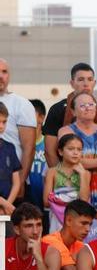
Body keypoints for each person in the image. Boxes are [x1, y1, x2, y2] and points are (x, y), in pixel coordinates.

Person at [57, 91, 97, 240]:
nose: (88, 108)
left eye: (91, 104)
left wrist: (85, 162)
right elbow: (72, 162)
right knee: (77, 235)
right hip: (76, 188)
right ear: (73, 111)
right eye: (82, 105)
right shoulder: (65, 131)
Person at [43, 63, 97, 168]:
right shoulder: (57, 110)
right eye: (80, 79)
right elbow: (50, 152)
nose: (86, 84)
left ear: (94, 83)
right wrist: (62, 177)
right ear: (72, 83)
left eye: (90, 79)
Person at [0, 59, 37, 201]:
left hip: (12, 184)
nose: (1, 76)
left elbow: (29, 147)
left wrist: (20, 181)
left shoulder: (22, 104)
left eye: (4, 72)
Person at [42, 134, 91, 232]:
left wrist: (82, 174)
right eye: (71, 149)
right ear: (60, 151)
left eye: (79, 149)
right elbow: (46, 202)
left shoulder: (86, 173)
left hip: (78, 219)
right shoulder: (52, 172)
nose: (75, 153)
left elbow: (84, 201)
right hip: (57, 219)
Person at [42, 199, 96, 270]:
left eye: (90, 224)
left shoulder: (79, 244)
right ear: (68, 221)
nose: (88, 229)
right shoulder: (51, 241)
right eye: (83, 223)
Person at [0, 102, 22, 215]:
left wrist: (8, 205)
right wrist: (4, 203)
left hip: (6, 210)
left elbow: (16, 182)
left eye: (4, 122)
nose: (1, 126)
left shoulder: (9, 147)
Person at [27, 99, 47, 207]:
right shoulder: (18, 144)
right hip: (26, 201)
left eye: (30, 113)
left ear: (41, 117)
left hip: (45, 201)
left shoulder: (49, 144)